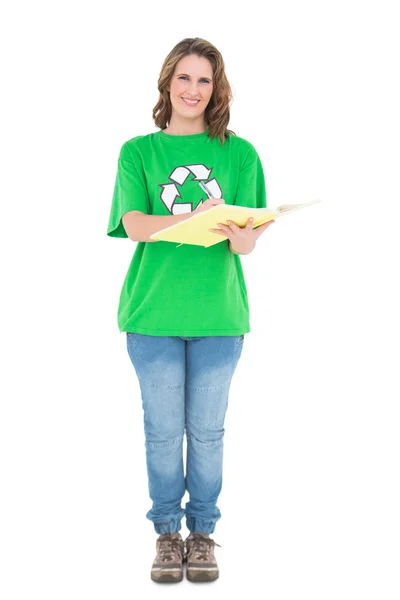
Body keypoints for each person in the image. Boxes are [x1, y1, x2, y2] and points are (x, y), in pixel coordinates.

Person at [106, 37, 275, 584]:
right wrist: (190, 223)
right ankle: (166, 534)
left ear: (216, 88)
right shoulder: (139, 151)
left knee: (206, 432)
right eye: (184, 78)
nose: (193, 90)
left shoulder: (240, 153)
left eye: (205, 80)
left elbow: (245, 246)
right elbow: (133, 223)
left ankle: (201, 534)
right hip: (152, 313)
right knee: (161, 431)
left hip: (218, 318)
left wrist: (230, 228)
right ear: (167, 83)